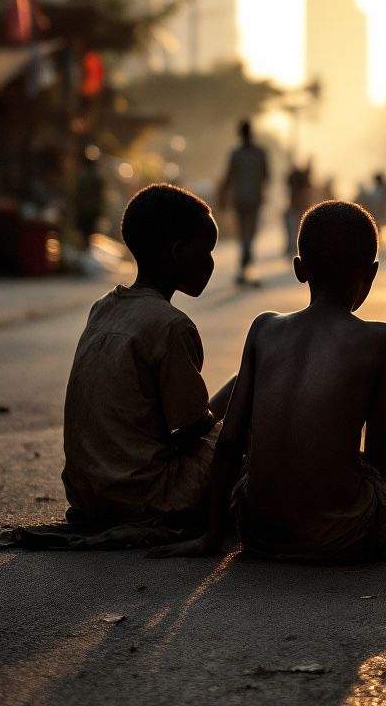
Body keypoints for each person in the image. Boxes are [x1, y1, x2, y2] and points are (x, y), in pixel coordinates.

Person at [151, 201, 386, 562]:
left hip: (258, 532)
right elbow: (379, 456)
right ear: (370, 274)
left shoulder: (263, 328)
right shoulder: (380, 339)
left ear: (299, 269)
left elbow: (230, 441)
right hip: (345, 536)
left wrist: (212, 537)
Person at [62, 184, 235, 523]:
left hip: (88, 494)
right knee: (246, 425)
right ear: (177, 252)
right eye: (206, 252)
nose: (211, 263)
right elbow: (188, 431)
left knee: (239, 385)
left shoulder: (104, 307)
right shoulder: (171, 325)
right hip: (147, 495)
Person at [219, 119, 269, 285]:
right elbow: (267, 176)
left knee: (242, 231)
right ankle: (247, 255)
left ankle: (244, 258)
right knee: (250, 230)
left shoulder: (236, 153)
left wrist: (223, 196)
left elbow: (228, 176)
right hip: (254, 198)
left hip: (240, 198)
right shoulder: (260, 153)